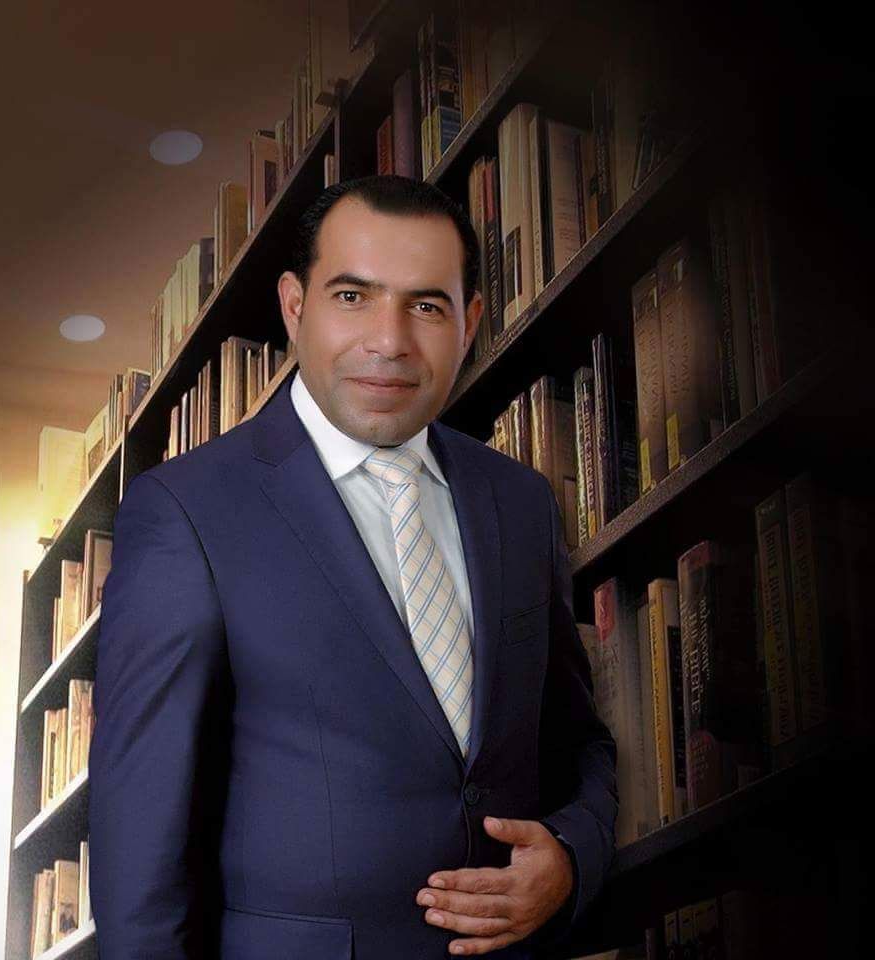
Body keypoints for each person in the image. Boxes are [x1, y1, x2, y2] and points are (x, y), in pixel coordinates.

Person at [88, 174, 618, 959]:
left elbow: (579, 745)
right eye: (352, 297)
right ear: (294, 307)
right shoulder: (186, 511)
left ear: (469, 322)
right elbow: (140, 848)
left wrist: (570, 858)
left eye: (426, 306)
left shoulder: (521, 502)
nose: (390, 340)